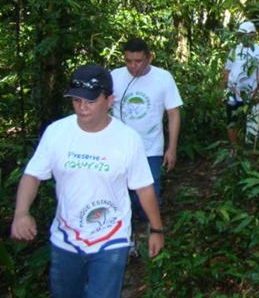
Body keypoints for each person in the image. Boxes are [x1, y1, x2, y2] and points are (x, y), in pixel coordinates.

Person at [11, 64, 164, 298]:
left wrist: (156, 229)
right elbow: (33, 175)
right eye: (76, 100)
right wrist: (21, 213)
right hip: (66, 237)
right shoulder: (57, 132)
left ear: (110, 100)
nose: (82, 108)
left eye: (90, 101)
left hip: (111, 237)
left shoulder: (127, 139)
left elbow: (144, 188)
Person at [110, 38, 182, 253]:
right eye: (129, 61)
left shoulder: (163, 78)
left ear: (149, 57)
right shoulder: (114, 77)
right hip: (118, 150)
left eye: (138, 61)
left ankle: (154, 237)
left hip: (150, 149)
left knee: (151, 194)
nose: (133, 66)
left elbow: (173, 113)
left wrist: (172, 148)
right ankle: (129, 240)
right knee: (122, 196)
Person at [223, 21, 259, 152]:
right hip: (233, 92)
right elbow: (227, 71)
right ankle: (234, 148)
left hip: (250, 92)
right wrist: (224, 90)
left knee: (252, 122)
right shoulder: (234, 50)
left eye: (245, 35)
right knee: (232, 121)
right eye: (240, 35)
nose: (242, 38)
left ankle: (250, 148)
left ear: (253, 35)